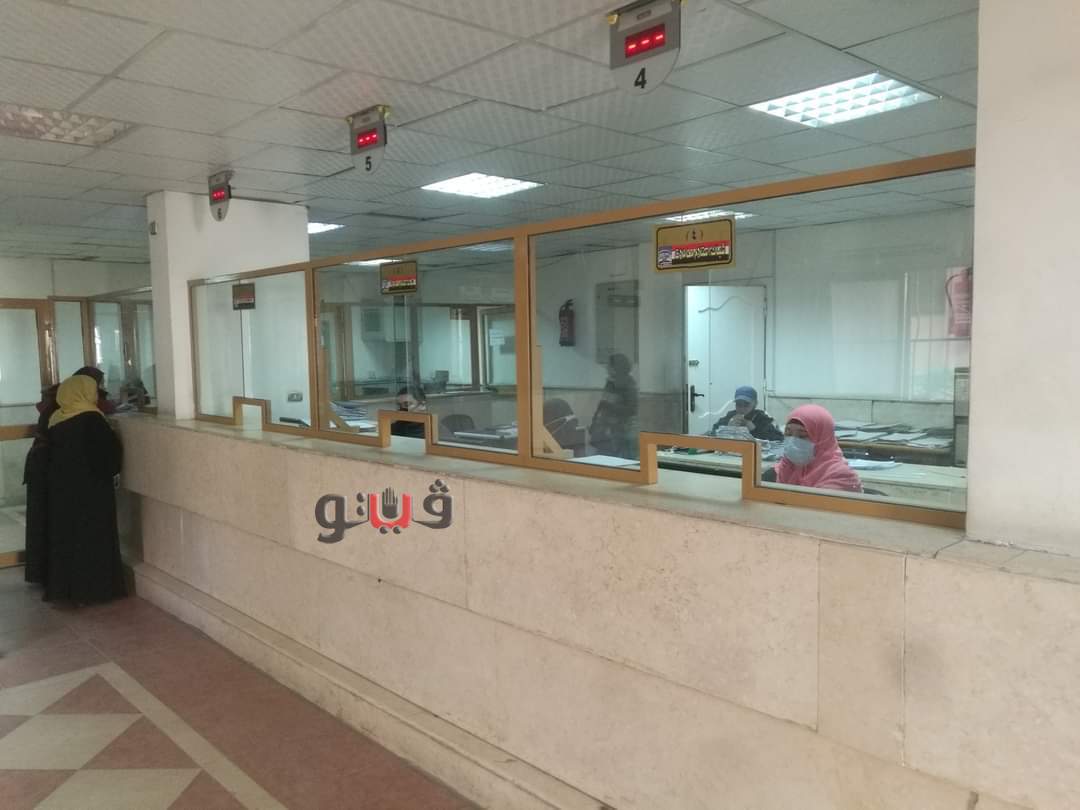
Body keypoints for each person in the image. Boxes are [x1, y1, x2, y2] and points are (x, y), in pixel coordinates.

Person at [44, 375, 126, 604]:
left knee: (67, 540)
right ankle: (93, 591)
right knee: (92, 540)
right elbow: (109, 459)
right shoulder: (92, 420)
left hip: (63, 491)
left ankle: (66, 591)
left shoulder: (57, 418)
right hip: (91, 492)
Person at [770, 404, 862, 493]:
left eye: (802, 436)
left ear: (822, 439)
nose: (792, 442)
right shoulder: (786, 467)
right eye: (788, 434)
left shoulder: (840, 476)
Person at [21, 384, 59, 585]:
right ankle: (44, 571)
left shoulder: (49, 410)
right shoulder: (57, 411)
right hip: (45, 470)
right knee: (45, 521)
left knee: (39, 521)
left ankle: (38, 572)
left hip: (38, 467)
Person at [589, 353, 639, 459]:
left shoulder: (628, 384)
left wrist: (609, 407)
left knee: (623, 460)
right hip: (605, 431)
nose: (606, 368)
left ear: (616, 367)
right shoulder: (610, 383)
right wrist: (594, 423)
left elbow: (631, 410)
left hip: (621, 431)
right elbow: (602, 404)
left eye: (609, 365)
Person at [710, 385, 783, 441]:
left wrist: (754, 430)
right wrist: (727, 428)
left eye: (746, 405)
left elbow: (779, 438)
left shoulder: (762, 418)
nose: (742, 409)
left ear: (755, 404)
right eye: (739, 404)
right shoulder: (730, 416)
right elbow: (711, 434)